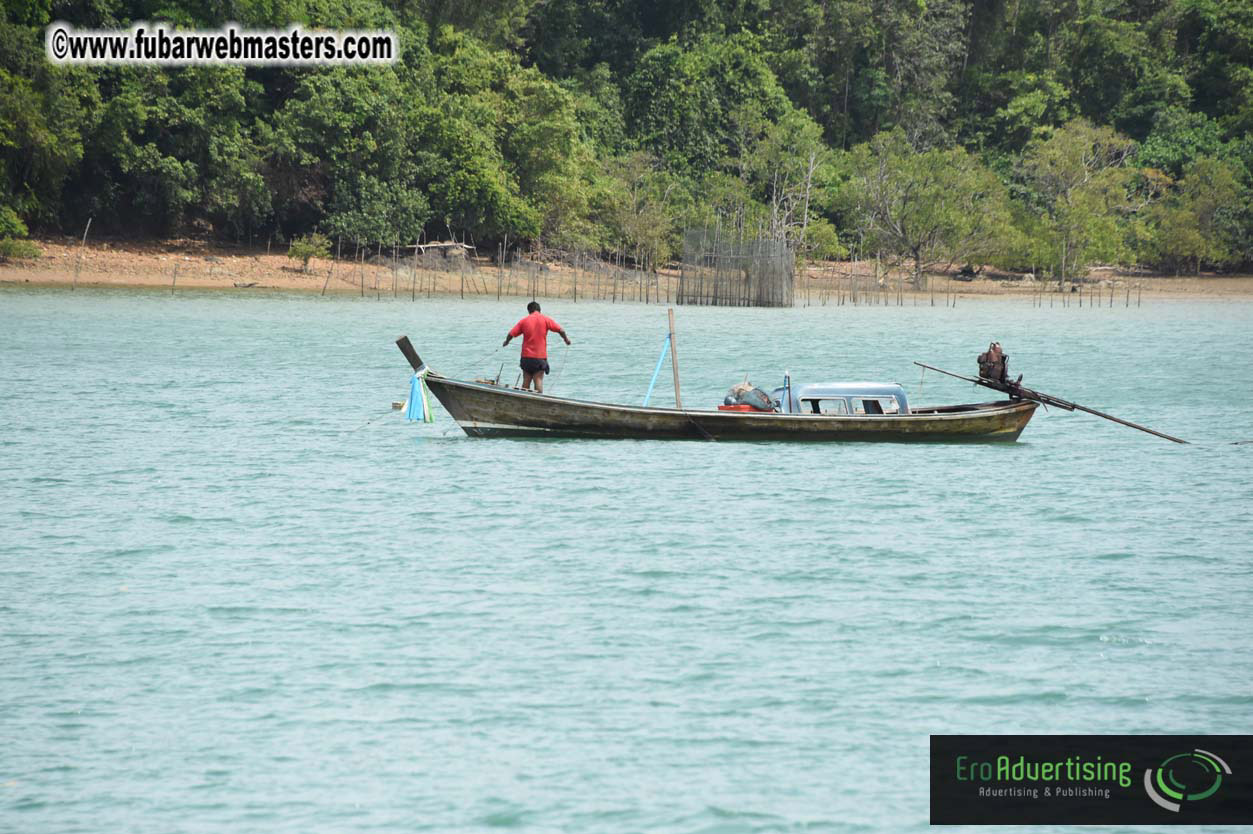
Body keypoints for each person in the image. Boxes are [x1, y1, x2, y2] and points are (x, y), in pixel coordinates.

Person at [503, 301, 571, 393]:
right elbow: (561, 330)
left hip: (526, 357)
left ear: (529, 311)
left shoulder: (524, 321)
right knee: (538, 380)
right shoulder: (546, 319)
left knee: (526, 380)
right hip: (539, 357)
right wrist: (566, 340)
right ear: (539, 310)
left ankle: (524, 401)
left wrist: (506, 342)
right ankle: (538, 402)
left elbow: (511, 334)